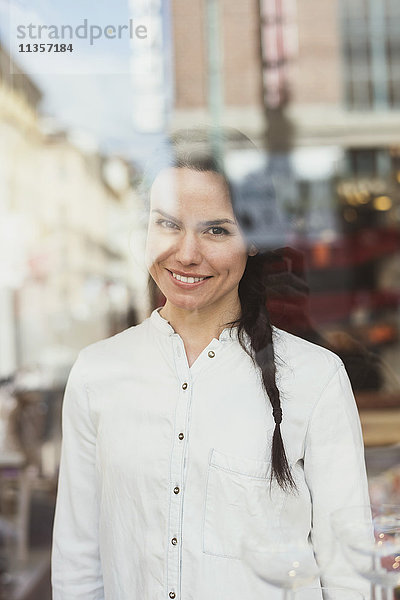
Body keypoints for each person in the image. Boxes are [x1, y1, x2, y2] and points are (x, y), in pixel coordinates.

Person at [51, 128, 371, 600]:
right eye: (167, 223)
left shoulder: (315, 378)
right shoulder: (97, 373)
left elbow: (351, 576)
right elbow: (79, 569)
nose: (186, 253)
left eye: (216, 229)